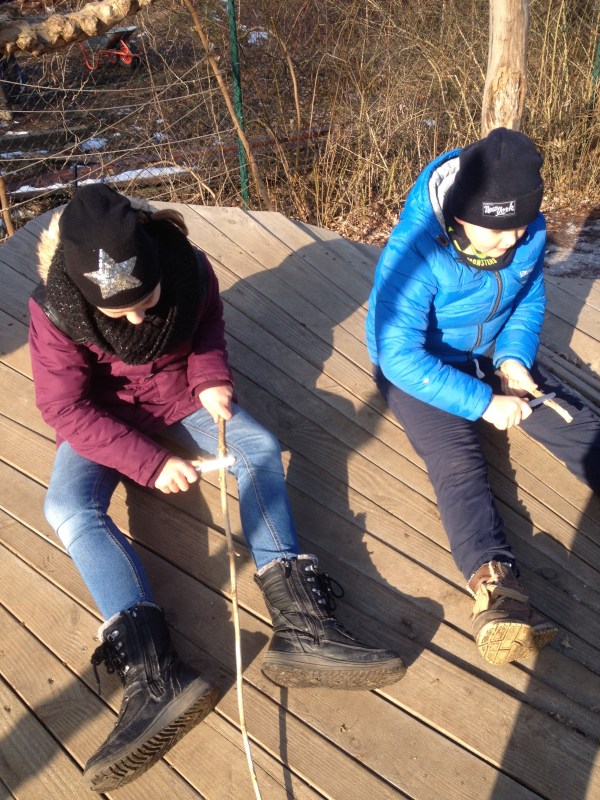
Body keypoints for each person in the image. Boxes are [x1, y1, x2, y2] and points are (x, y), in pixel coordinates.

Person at [29, 185, 405, 792]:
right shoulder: (54, 310)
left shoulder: (188, 266)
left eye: (147, 301)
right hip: (102, 418)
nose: (138, 319)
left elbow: (205, 327)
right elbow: (65, 409)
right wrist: (150, 463)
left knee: (258, 448)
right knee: (65, 506)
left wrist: (209, 378)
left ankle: (302, 627)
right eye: (118, 313)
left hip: (179, 398)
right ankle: (154, 675)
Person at [366, 127, 600, 667]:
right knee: (457, 462)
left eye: (520, 226)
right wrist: (484, 404)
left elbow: (528, 297)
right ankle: (495, 587)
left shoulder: (528, 233)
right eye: (496, 229)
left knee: (570, 421)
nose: (511, 240)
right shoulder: (414, 252)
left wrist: (514, 357)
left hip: (492, 352)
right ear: (459, 213)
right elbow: (397, 354)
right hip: (422, 369)